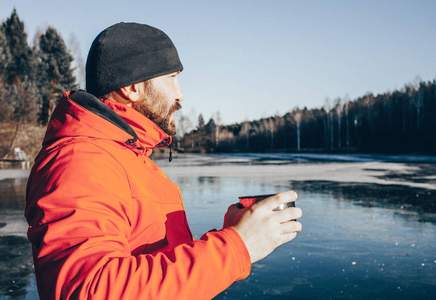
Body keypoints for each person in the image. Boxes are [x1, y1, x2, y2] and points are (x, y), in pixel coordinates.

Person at [25, 22, 303, 300]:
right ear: (133, 87)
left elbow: (160, 263)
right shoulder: (80, 160)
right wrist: (237, 246)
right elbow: (89, 290)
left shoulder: (131, 159)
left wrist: (231, 233)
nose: (180, 93)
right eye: (171, 77)